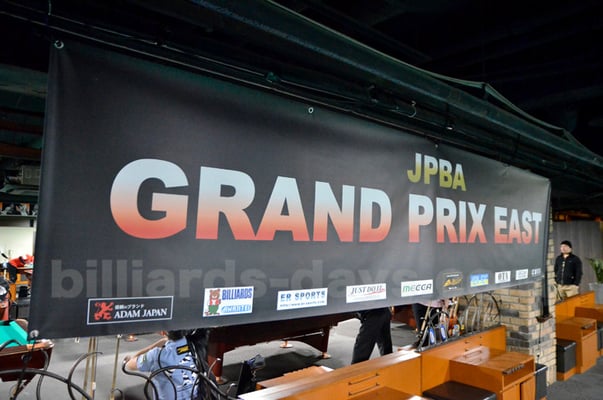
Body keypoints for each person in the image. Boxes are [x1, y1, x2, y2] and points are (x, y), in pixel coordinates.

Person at [124, 330, 201, 400]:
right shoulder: (195, 345)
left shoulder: (156, 355)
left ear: (163, 332)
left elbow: (129, 365)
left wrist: (154, 347)